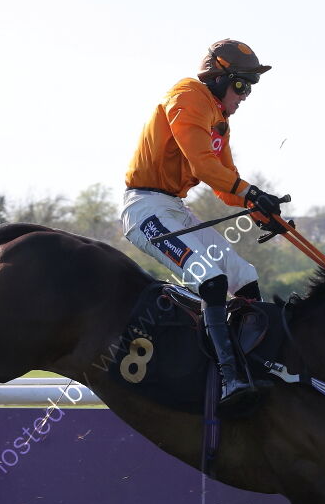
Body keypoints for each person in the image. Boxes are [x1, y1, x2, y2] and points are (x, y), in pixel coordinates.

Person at [121, 39, 287, 409]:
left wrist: (259, 206)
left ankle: (256, 363)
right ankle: (229, 377)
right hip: (145, 210)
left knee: (244, 275)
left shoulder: (219, 119)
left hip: (175, 209)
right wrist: (250, 192)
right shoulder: (188, 96)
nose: (245, 95)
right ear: (218, 79)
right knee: (211, 279)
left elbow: (225, 185)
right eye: (241, 85)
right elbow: (203, 167)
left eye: (249, 86)